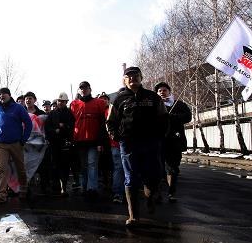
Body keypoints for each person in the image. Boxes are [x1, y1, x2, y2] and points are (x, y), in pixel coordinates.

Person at [106, 67, 168, 227]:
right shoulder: (118, 100)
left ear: (141, 77)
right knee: (131, 178)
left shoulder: (152, 97)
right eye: (129, 76)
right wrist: (116, 136)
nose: (132, 78)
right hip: (128, 144)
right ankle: (133, 216)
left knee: (153, 176)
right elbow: (110, 122)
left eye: (135, 75)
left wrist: (159, 137)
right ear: (124, 80)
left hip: (151, 143)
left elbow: (163, 118)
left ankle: (150, 200)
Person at [0, 87, 33, 204]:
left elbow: (28, 124)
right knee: (1, 169)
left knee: (20, 168)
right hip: (1, 144)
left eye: (4, 94)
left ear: (9, 95)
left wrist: (23, 140)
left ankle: (23, 189)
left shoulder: (18, 108)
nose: (1, 96)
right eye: (0, 94)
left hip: (16, 143)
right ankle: (1, 194)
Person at [69, 81, 108, 200]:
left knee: (92, 164)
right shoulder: (74, 104)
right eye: (81, 88)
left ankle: (92, 188)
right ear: (79, 90)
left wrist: (100, 142)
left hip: (94, 140)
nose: (83, 90)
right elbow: (71, 123)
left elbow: (103, 124)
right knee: (83, 166)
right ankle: (84, 187)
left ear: (90, 89)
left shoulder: (99, 103)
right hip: (80, 141)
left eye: (85, 88)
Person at [155, 82, 191, 202]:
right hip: (158, 140)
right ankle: (158, 193)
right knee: (158, 168)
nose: (162, 92)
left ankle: (171, 192)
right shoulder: (153, 105)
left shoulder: (178, 104)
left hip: (174, 141)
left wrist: (172, 116)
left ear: (169, 92)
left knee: (173, 168)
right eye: (159, 90)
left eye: (164, 90)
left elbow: (188, 117)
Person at [44, 92, 75, 197]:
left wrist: (64, 126)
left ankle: (64, 187)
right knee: (54, 165)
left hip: (65, 143)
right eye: (59, 101)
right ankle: (55, 187)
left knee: (65, 165)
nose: (60, 103)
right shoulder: (52, 114)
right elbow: (47, 128)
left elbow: (72, 126)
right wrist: (55, 131)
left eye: (62, 101)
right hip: (54, 143)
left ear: (66, 102)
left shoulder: (69, 113)